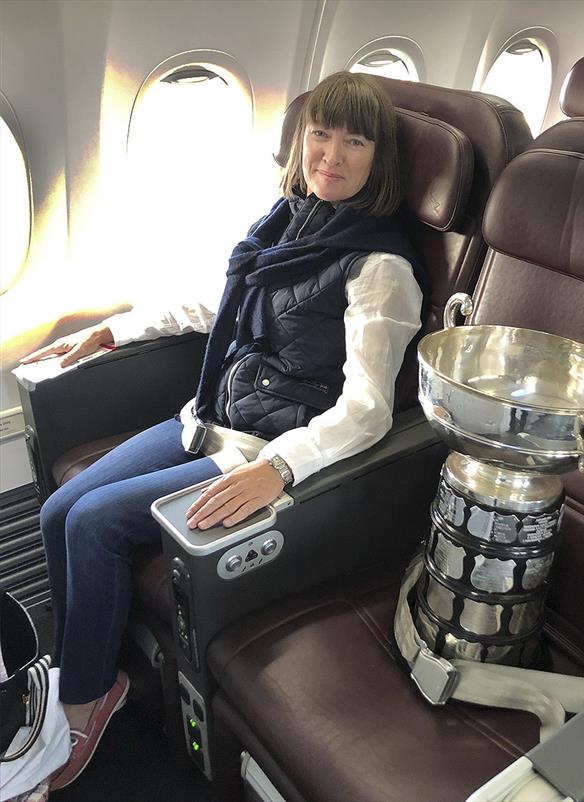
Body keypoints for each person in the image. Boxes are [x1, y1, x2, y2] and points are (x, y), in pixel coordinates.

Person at [22, 71, 424, 790]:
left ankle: (87, 702)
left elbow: (368, 408)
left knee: (94, 525)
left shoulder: (383, 266)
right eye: (319, 134)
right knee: (58, 510)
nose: (330, 153)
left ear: (379, 159)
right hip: (207, 421)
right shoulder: (283, 222)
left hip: (261, 450)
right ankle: (86, 667)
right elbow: (212, 306)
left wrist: (282, 467)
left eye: (354, 140)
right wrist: (111, 334)